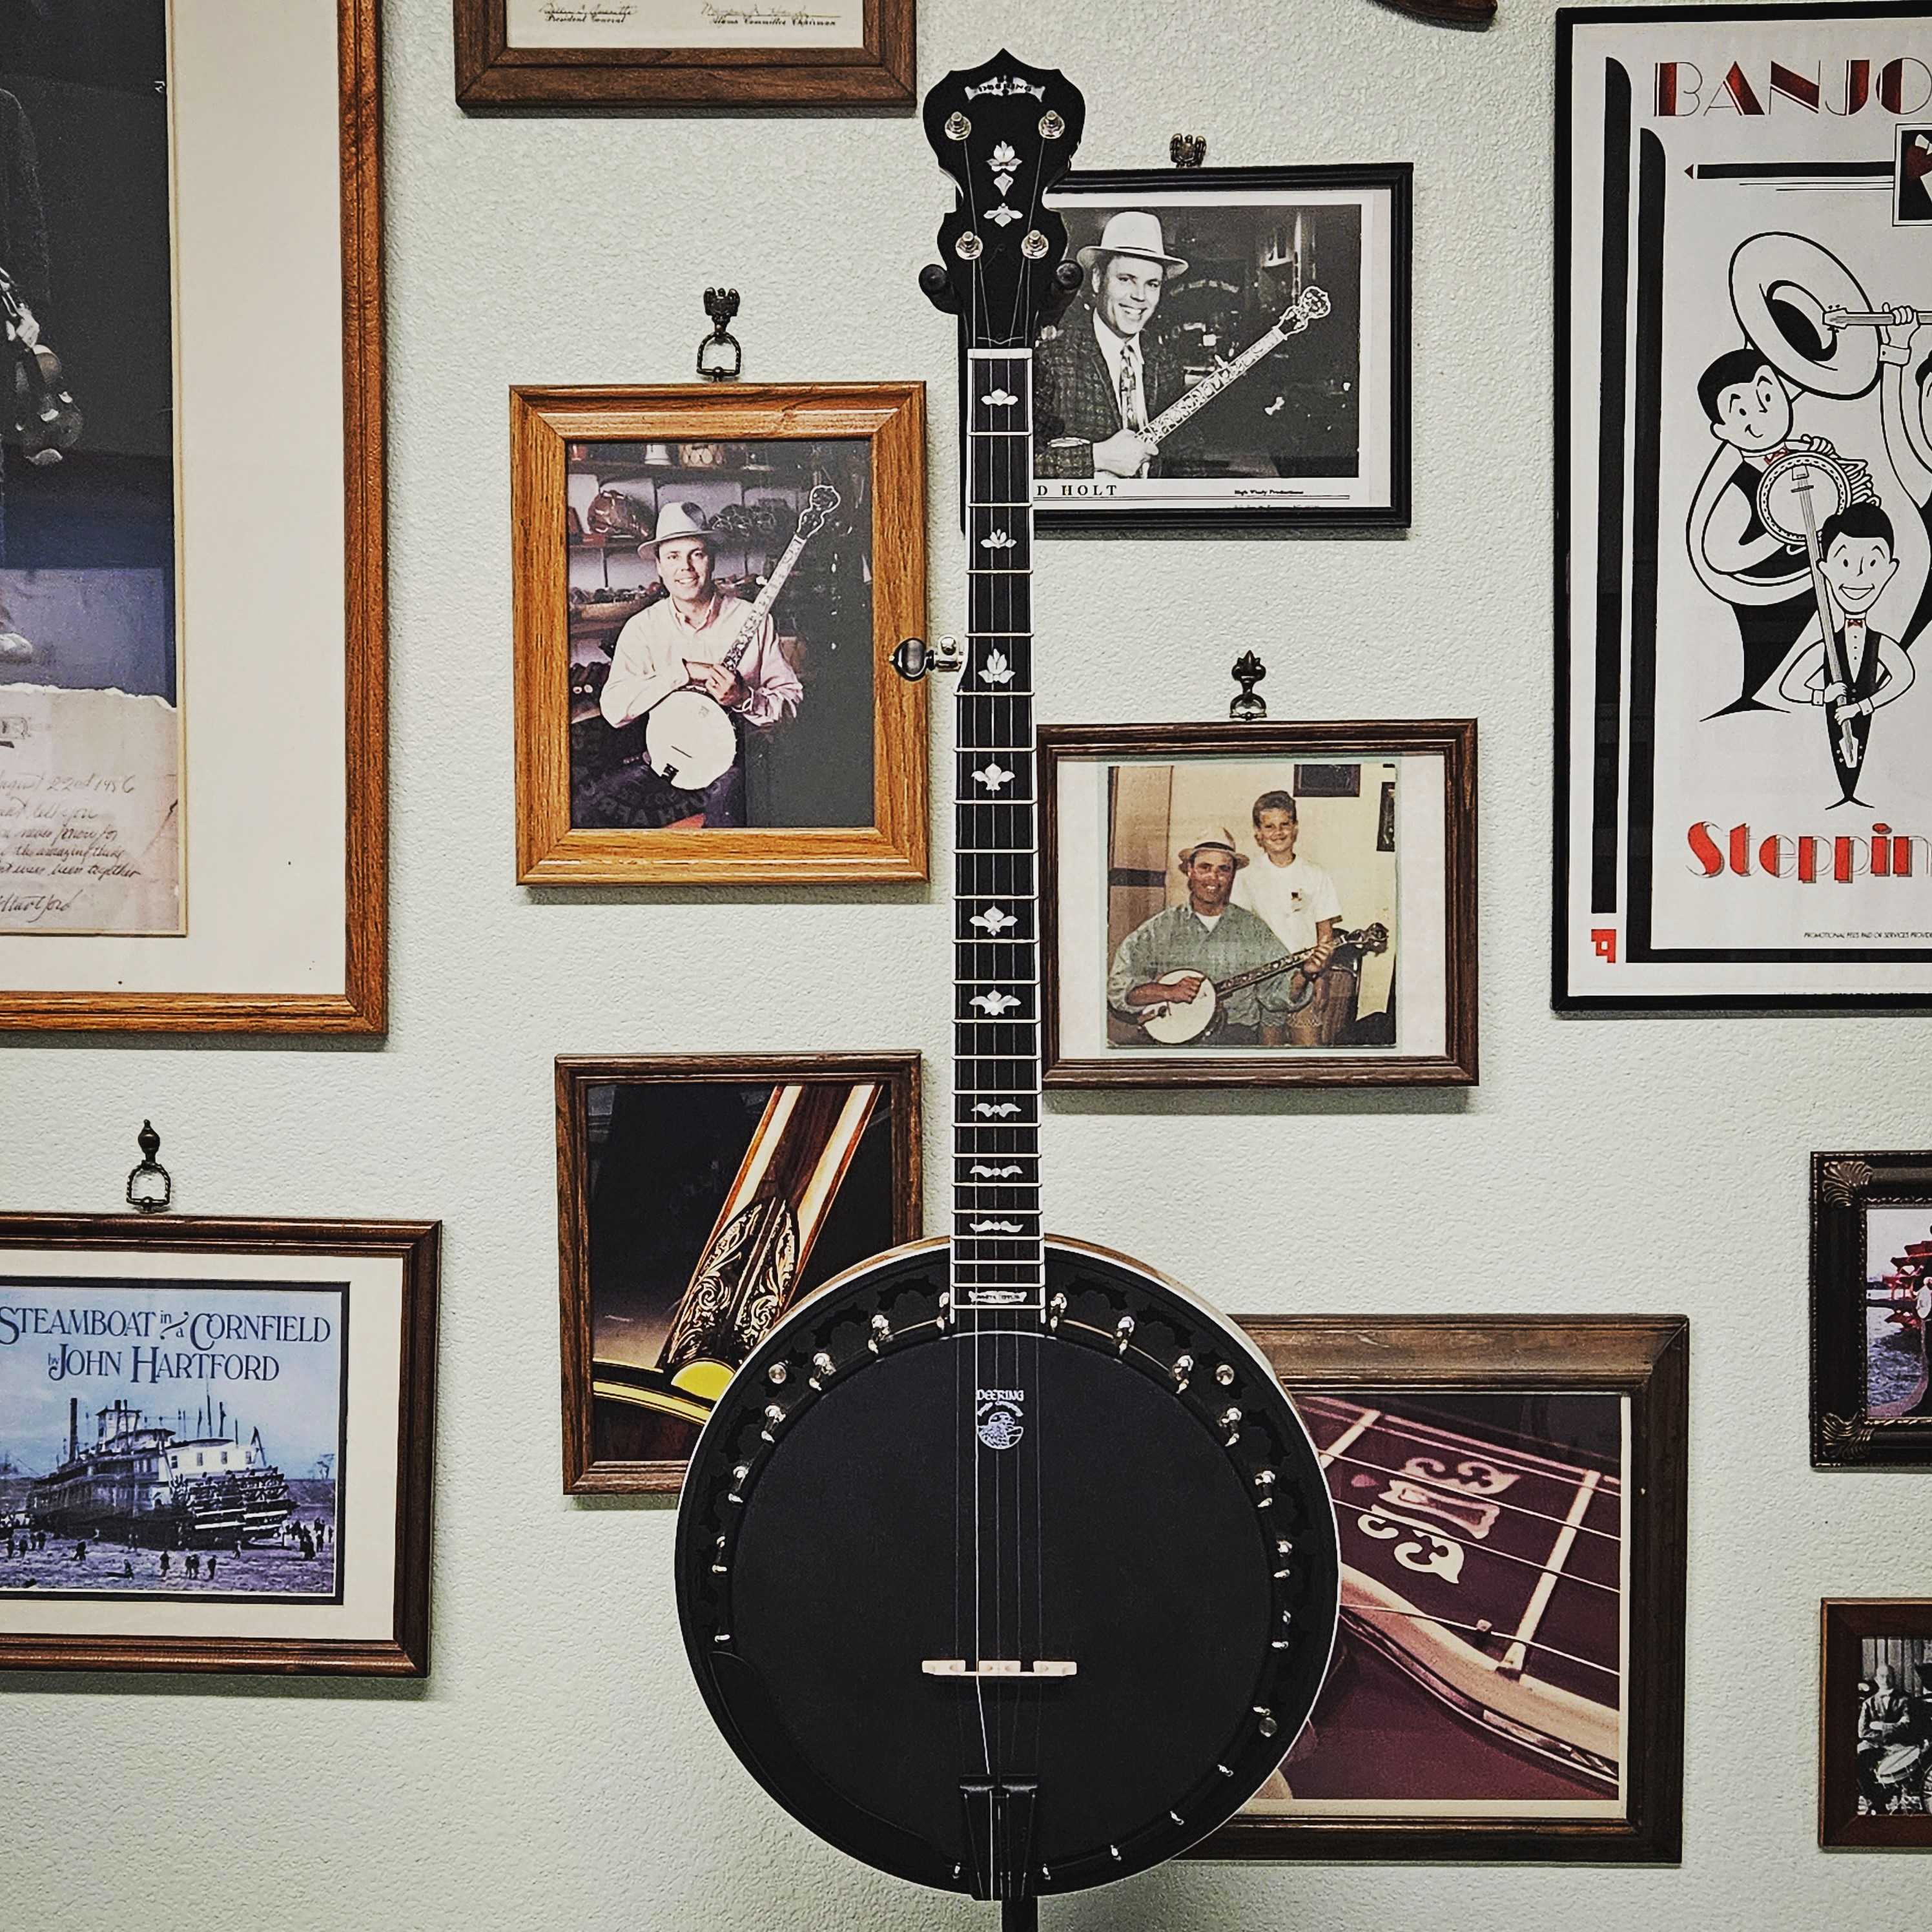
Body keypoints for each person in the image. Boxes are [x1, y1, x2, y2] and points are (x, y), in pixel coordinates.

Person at [578, 502, 804, 830]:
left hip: (734, 767)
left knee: (727, 811)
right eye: (672, 557)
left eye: (696, 554)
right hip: (665, 763)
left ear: (711, 558)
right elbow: (614, 711)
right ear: (658, 566)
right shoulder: (643, 629)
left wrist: (744, 698)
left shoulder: (751, 619)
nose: (685, 567)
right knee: (585, 810)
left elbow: (792, 704)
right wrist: (682, 672)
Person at [1684, 348, 1865, 715]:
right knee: (1779, 675)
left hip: (1820, 589)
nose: (1761, 414)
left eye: (1767, 396)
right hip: (1774, 606)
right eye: (1742, 411)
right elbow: (1719, 555)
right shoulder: (1741, 488)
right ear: (1723, 430)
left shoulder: (1805, 457)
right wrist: (1779, 532)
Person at [1775, 502, 1915, 805]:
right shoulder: (1828, 644)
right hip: (1831, 733)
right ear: (1825, 569)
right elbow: (1788, 687)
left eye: (1873, 565)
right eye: (1847, 564)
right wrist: (1822, 696)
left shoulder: (1880, 643)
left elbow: (1905, 676)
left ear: (1890, 570)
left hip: (1871, 732)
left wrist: (1863, 706)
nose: (1859, 577)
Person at [1107, 830, 1300, 1046]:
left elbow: (1279, 990)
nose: (1213, 878)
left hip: (1234, 1038)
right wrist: (1168, 991)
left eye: (1223, 870)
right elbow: (1118, 989)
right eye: (1205, 868)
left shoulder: (1253, 929)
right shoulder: (1160, 928)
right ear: (1190, 870)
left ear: (1232, 875)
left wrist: (1306, 975)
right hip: (1172, 1038)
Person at [1035, 211, 1188, 482]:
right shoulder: (1052, 360)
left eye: (1152, 284)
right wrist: (1098, 457)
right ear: (1097, 280)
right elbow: (1008, 464)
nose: (1140, 297)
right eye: (1126, 279)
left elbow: (1182, 459)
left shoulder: (1167, 363)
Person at [1230, 791, 1340, 1048]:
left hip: (1307, 978)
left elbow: (1325, 933)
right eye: (1269, 826)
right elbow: (1239, 934)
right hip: (1265, 984)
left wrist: (1321, 977)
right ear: (1258, 833)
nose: (1278, 833)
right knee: (1269, 1058)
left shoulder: (1316, 874)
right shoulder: (1246, 877)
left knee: (1310, 1055)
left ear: (1295, 828)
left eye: (1284, 825)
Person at [1858, 1665, 1924, 1813]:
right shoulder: (1868, 1703)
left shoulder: (1905, 1700)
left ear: (1894, 1678)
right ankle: (1874, 1802)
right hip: (1876, 1746)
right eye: (1882, 1676)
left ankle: (1898, 1799)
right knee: (1859, 1756)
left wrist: (1882, 1726)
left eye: (1889, 1676)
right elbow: (1863, 1732)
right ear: (1876, 1679)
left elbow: (1906, 1726)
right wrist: (1887, 1734)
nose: (1885, 1680)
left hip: (1899, 1745)